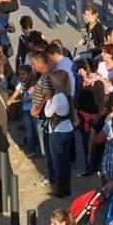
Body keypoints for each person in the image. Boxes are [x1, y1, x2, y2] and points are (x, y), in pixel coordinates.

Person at [45, 68, 77, 197]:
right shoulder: (67, 95)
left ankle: (59, 190)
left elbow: (48, 113)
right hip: (67, 129)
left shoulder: (58, 97)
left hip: (58, 132)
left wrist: (48, 99)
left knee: (57, 162)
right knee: (65, 162)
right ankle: (66, 188)